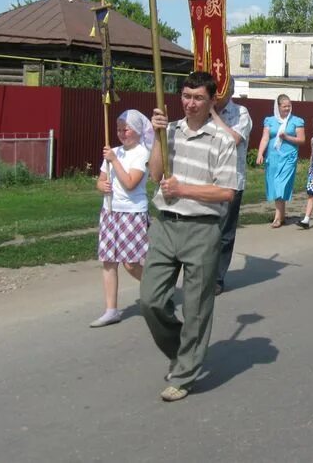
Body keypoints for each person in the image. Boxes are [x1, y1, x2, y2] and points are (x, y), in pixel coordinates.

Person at [140, 71, 237, 402]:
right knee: (150, 299)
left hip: (201, 229)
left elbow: (226, 192)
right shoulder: (169, 131)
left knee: (196, 307)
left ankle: (183, 374)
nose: (190, 103)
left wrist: (184, 189)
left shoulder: (221, 141)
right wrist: (156, 137)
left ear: (211, 102)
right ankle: (184, 349)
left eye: (197, 98)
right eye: (185, 96)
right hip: (166, 225)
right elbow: (155, 175)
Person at [90, 109, 153, 328]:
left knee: (131, 263)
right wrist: (102, 186)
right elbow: (100, 180)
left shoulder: (142, 153)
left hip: (132, 212)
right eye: (118, 129)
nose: (121, 133)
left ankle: (157, 288)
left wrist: (114, 160)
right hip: (110, 211)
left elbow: (130, 183)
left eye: (125, 129)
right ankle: (111, 310)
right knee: (108, 262)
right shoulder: (113, 151)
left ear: (136, 130)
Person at [211, 78, 252, 296]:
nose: (217, 95)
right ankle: (202, 273)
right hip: (207, 180)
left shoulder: (241, 113)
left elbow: (233, 139)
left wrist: (214, 115)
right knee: (206, 229)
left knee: (224, 232)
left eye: (221, 91)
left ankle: (217, 278)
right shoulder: (204, 113)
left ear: (231, 91)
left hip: (231, 181)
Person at [256, 94, 305, 228]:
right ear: (278, 107)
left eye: (289, 106)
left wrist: (287, 137)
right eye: (284, 106)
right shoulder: (269, 121)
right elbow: (265, 138)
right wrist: (260, 153)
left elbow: (302, 140)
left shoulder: (296, 121)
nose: (287, 108)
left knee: (280, 184)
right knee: (274, 184)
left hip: (289, 157)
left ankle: (277, 218)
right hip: (273, 157)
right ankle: (281, 216)